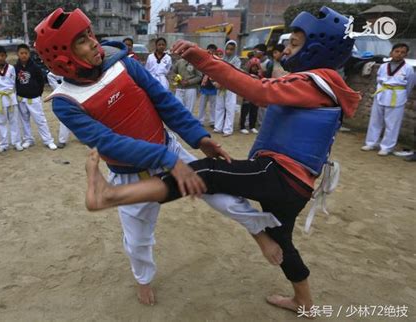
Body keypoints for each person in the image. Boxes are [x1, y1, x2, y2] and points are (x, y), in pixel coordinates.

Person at [83, 6, 362, 314]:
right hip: (294, 186)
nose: (286, 49)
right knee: (281, 239)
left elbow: (257, 90)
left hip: (279, 176)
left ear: (319, 49)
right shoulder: (323, 84)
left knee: (207, 173)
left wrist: (202, 59)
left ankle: (113, 195)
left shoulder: (314, 83)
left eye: (295, 43)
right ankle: (304, 302)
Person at [34, 8, 281, 306]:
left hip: (171, 150)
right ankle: (143, 279)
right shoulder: (66, 102)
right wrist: (164, 158)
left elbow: (164, 100)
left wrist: (199, 138)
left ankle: (259, 230)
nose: (93, 42)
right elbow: (107, 143)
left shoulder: (123, 62)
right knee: (138, 241)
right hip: (132, 175)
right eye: (82, 41)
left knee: (224, 195)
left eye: (89, 34)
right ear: (64, 58)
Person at [361, 43, 414, 156]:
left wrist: (403, 95)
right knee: (375, 120)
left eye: (402, 52)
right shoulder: (383, 66)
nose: (399, 54)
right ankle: (371, 142)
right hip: (381, 94)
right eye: (397, 51)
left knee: (392, 123)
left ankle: (387, 147)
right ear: (391, 52)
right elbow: (379, 80)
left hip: (397, 96)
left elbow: (409, 85)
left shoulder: (408, 69)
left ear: (405, 54)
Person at [15, 44, 57, 150]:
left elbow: (41, 81)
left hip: (33, 98)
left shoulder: (35, 67)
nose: (24, 55)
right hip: (21, 98)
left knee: (40, 120)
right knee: (24, 120)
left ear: (29, 54)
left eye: (26, 53)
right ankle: (28, 139)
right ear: (18, 54)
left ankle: (48, 140)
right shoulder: (15, 68)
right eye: (21, 53)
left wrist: (38, 93)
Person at [0, 45, 23, 153]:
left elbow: (15, 83)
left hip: (11, 97)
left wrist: (14, 96)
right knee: (1, 122)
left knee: (14, 121)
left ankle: (16, 142)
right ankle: (3, 144)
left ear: (6, 56)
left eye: (2, 55)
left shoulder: (11, 68)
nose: (0, 58)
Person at [214, 40, 241, 137]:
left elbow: (234, 74)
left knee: (230, 108)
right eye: (228, 49)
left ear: (235, 50)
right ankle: (218, 127)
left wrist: (224, 83)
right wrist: (217, 82)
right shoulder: (221, 60)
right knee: (219, 107)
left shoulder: (237, 61)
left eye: (231, 49)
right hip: (220, 86)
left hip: (230, 87)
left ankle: (228, 129)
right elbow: (217, 72)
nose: (229, 51)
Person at [47, 71, 70, 148]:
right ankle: (62, 140)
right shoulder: (64, 68)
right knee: (65, 117)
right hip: (66, 95)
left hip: (81, 92)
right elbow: (50, 75)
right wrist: (60, 89)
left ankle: (83, 137)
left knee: (82, 116)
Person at [197, 44, 218, 127]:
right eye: (210, 50)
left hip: (213, 86)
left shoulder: (217, 61)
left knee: (213, 106)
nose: (211, 52)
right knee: (202, 105)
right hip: (204, 86)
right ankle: (200, 121)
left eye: (213, 50)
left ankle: (213, 121)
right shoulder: (202, 60)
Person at [239, 58, 261, 134]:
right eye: (253, 66)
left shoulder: (259, 75)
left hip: (256, 95)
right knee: (245, 111)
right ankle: (242, 126)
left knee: (254, 111)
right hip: (247, 95)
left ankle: (252, 126)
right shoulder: (246, 74)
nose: (254, 68)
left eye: (256, 66)